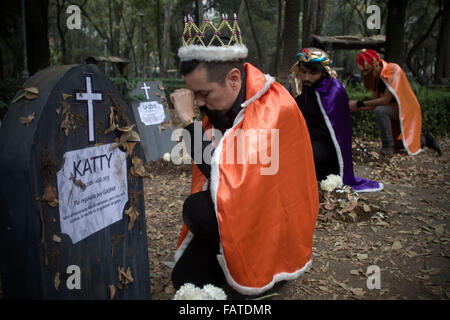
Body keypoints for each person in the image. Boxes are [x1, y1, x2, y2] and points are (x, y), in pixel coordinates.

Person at [169, 14, 319, 296]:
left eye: (202, 93)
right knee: (184, 278)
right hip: (240, 208)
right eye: (192, 94)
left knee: (197, 210)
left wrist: (189, 124)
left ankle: (267, 267)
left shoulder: (271, 109)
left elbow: (225, 178)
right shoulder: (222, 101)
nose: (198, 102)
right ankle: (228, 254)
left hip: (271, 220)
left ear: (234, 78)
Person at [286, 47, 383, 192]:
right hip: (300, 137)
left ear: (323, 72)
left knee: (299, 154)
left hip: (324, 144)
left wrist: (301, 140)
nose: (306, 78)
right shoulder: (296, 86)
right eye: (303, 72)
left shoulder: (334, 90)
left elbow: (329, 130)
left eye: (313, 73)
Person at [349, 49, 441, 156]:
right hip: (392, 109)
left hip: (406, 109)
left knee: (380, 111)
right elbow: (375, 103)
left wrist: (359, 103)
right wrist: (355, 107)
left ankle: (388, 146)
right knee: (401, 144)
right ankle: (424, 140)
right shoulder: (376, 78)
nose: (365, 74)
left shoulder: (393, 70)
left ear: (374, 66)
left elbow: (385, 100)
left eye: (367, 71)